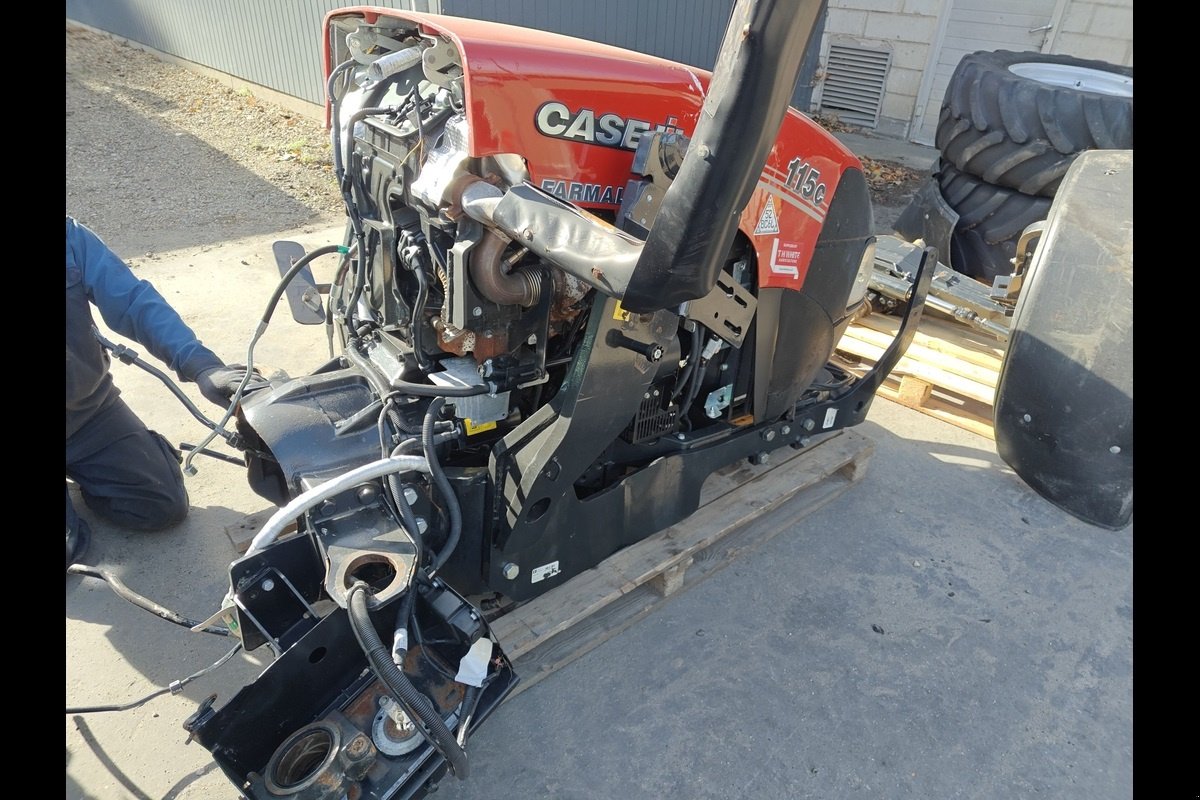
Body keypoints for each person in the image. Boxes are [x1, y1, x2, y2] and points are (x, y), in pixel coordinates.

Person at [66, 215, 257, 568]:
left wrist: (202, 365)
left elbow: (133, 302)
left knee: (160, 506)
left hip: (87, 414)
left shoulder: (70, 238)